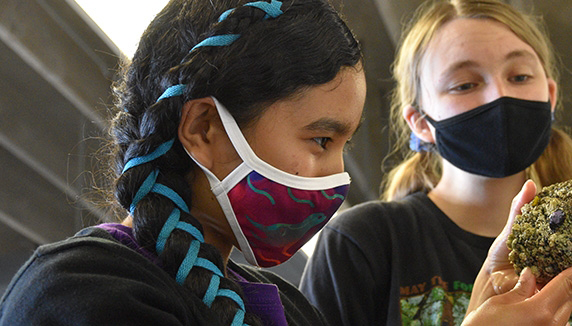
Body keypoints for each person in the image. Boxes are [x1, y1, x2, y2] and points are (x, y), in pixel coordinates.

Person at [299, 0, 572, 325]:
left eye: (520, 76)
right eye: (466, 84)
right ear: (421, 122)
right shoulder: (363, 245)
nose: (498, 97)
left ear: (551, 97)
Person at [0, 0, 365, 325]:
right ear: (203, 129)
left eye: (344, 146)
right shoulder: (80, 293)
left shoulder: (293, 308)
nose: (338, 176)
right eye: (321, 141)